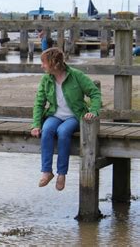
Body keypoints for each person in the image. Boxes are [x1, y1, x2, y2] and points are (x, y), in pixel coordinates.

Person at [31, 48, 101, 191]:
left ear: (54, 63)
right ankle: (47, 171)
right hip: (54, 115)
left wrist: (93, 111)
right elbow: (39, 103)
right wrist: (36, 125)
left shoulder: (76, 75)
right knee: (47, 130)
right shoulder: (46, 79)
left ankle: (61, 174)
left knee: (63, 132)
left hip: (74, 116)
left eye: (43, 62)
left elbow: (95, 93)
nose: (41, 66)